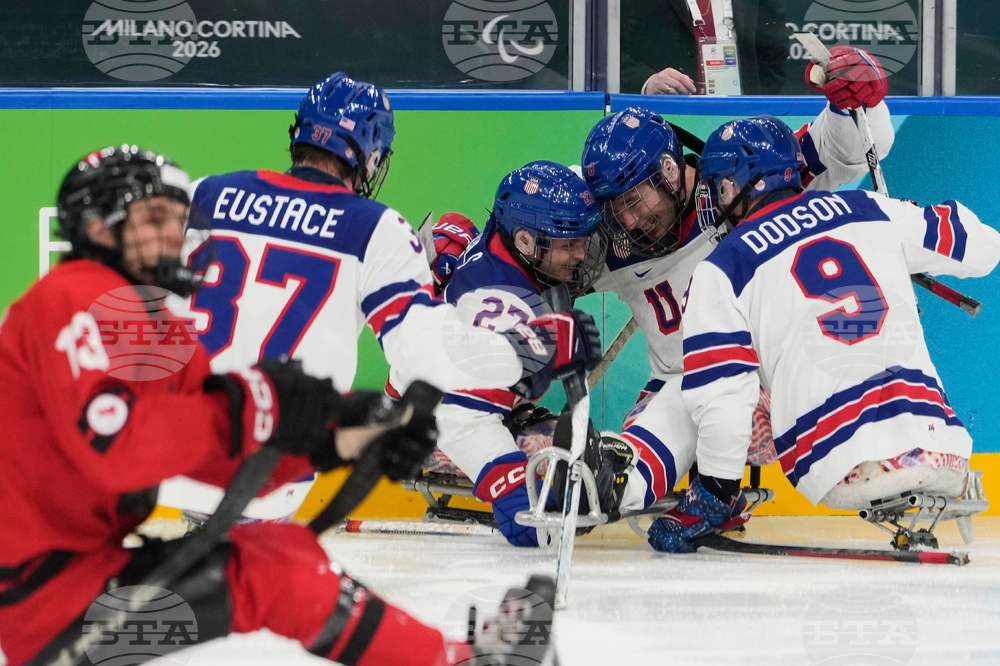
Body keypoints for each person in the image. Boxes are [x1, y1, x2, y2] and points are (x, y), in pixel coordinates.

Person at [0, 146, 558, 666]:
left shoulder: (154, 328)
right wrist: (257, 404)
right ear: (98, 229)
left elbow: (220, 460)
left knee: (279, 561)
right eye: (154, 220)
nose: (173, 234)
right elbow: (122, 450)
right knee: (268, 573)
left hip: (75, 585)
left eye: (175, 218)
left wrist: (340, 439)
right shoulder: (71, 296)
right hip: (45, 602)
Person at [160, 71, 602, 524]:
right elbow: (428, 357)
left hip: (169, 457)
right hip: (269, 477)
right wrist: (530, 347)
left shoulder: (204, 193)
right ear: (371, 159)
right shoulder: (373, 228)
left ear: (299, 134)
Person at [647, 116, 1000, 553]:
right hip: (943, 447)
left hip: (838, 464)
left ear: (734, 186)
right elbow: (985, 247)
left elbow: (722, 398)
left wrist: (713, 493)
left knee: (721, 383)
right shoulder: (869, 207)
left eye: (716, 188)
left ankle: (725, 499)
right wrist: (902, 220)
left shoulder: (720, 267)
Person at [576, 46, 895, 517]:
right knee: (621, 477)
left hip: (773, 379)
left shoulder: (740, 180)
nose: (628, 219)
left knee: (731, 391)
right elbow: (535, 263)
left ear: (668, 171)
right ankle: (621, 485)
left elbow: (848, 149)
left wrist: (856, 99)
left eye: (635, 201)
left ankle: (887, 455)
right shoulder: (609, 234)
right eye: (614, 207)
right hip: (683, 384)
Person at [424, 161, 623, 548]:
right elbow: (460, 415)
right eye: (568, 245)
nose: (581, 254)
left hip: (460, 378)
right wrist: (512, 488)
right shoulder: (506, 310)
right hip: (441, 413)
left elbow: (569, 192)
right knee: (538, 521)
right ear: (527, 242)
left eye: (580, 239)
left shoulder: (514, 234)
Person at [620, 0, 790, 95]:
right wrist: (646, 81)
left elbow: (773, 48)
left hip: (741, 115)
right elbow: (609, 50)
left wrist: (758, 105)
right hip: (664, 114)